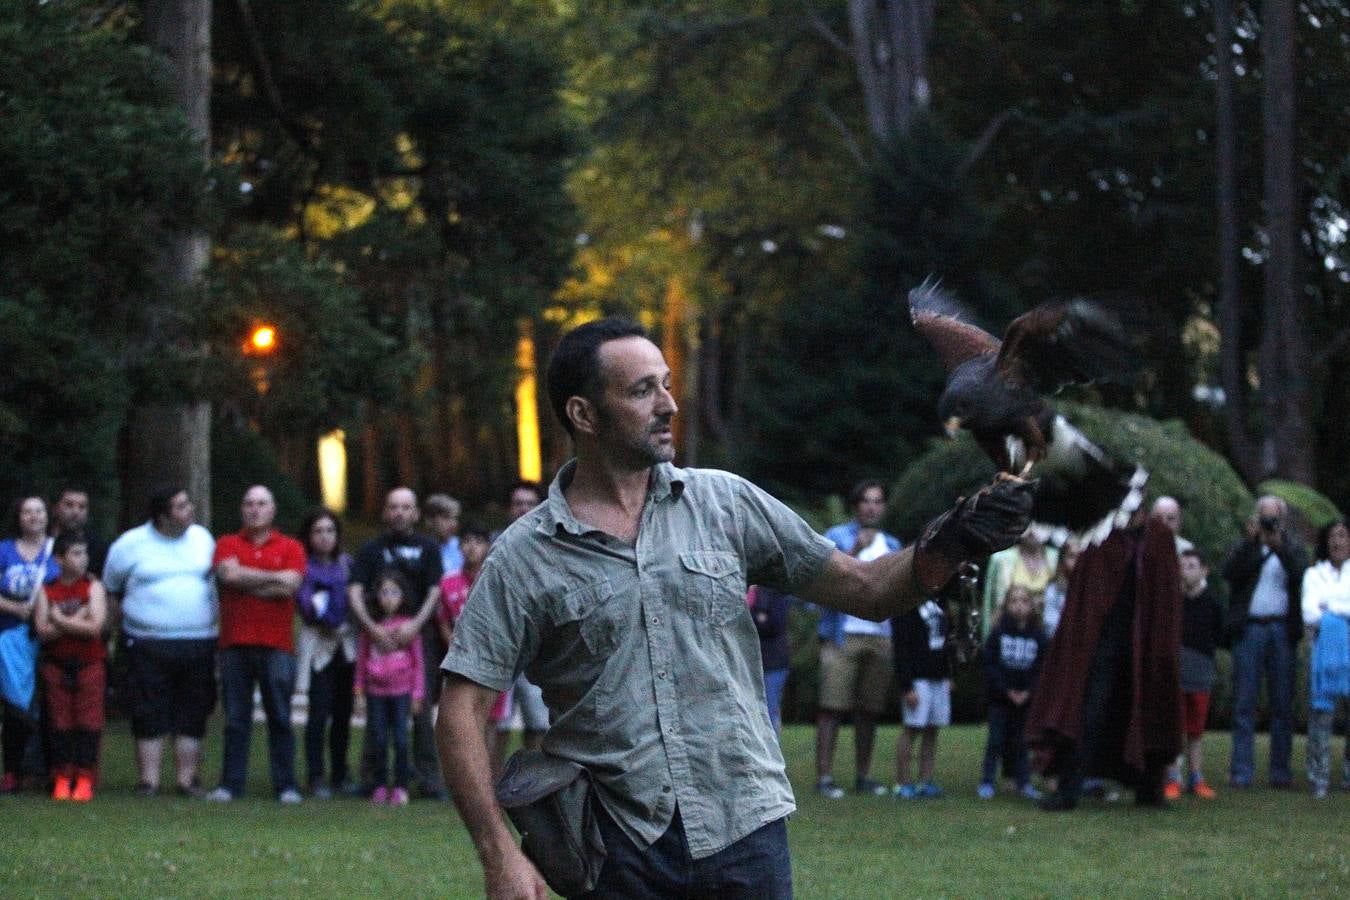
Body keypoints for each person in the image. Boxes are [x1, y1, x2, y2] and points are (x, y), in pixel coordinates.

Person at [436, 317, 1032, 899]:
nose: (668, 404)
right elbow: (461, 711)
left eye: (666, 384)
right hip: (616, 843)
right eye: (642, 391)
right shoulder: (526, 555)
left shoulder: (726, 503)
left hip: (744, 827)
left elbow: (866, 589)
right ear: (583, 414)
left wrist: (950, 540)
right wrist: (498, 852)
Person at [1028, 509, 1183, 811]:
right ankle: (1068, 790)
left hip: (1146, 648)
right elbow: (1084, 597)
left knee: (1147, 709)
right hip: (1103, 645)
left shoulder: (1159, 539)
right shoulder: (1102, 536)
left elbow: (1165, 597)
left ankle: (1149, 789)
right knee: (1088, 712)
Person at [102, 486, 216, 797]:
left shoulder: (202, 539)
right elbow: (111, 589)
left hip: (198, 640)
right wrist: (112, 631)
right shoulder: (130, 545)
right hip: (146, 642)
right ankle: (148, 781)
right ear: (162, 516)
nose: (190, 509)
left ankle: (187, 780)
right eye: (181, 506)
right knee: (148, 710)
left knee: (193, 711)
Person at [202, 487, 306, 804]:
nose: (255, 509)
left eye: (261, 503)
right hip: (235, 644)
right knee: (236, 719)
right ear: (241, 509)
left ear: (272, 510)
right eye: (248, 503)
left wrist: (246, 579)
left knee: (280, 717)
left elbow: (290, 585)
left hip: (277, 645)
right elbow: (227, 577)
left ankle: (286, 785)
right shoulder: (226, 543)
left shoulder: (291, 547)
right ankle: (230, 785)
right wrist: (272, 579)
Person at [348, 487, 444, 798]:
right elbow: (355, 589)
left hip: (418, 638)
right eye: (393, 507)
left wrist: (415, 625)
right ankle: (372, 779)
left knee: (421, 709)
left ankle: (427, 779)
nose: (399, 513)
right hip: (376, 636)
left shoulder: (428, 548)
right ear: (385, 512)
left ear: (416, 513)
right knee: (375, 713)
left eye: (405, 507)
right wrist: (370, 628)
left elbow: (435, 590)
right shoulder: (371, 549)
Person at [815, 479, 902, 799]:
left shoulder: (892, 544)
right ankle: (824, 777)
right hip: (844, 634)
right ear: (856, 506)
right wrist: (854, 551)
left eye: (878, 501)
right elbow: (822, 579)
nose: (872, 507)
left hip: (879, 636)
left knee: (869, 711)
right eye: (866, 501)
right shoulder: (837, 536)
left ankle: (863, 775)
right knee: (832, 707)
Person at [1223, 495, 1308, 789]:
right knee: (1244, 703)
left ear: (1283, 520)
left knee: (1282, 704)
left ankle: (1280, 772)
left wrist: (1278, 547)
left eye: (1274, 519)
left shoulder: (1292, 547)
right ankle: (1241, 772)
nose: (1269, 524)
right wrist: (1253, 545)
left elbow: (1300, 573)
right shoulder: (1246, 546)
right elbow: (1229, 573)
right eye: (1265, 518)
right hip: (1250, 628)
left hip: (1281, 629)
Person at [32, 532, 106, 801]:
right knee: (59, 722)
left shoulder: (93, 587)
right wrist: (78, 617)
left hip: (89, 663)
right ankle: (62, 776)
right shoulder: (47, 589)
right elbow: (42, 631)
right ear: (59, 559)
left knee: (89, 721)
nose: (82, 559)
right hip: (57, 664)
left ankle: (85, 777)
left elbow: (94, 627)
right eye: (75, 553)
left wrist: (60, 620)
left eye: (84, 553)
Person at [435, 523, 509, 774]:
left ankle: (488, 777)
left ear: (487, 546)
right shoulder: (448, 582)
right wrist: (456, 651)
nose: (471, 547)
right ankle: (458, 777)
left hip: (492, 661)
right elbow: (443, 621)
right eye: (466, 541)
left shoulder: (497, 579)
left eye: (478, 542)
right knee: (458, 721)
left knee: (491, 722)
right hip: (459, 662)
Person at [295, 508, 356, 799]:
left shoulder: (347, 565)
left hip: (346, 647)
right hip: (319, 647)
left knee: (343, 713)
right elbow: (306, 605)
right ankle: (316, 775)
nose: (324, 537)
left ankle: (340, 773)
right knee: (318, 713)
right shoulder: (303, 567)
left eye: (330, 531)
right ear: (309, 536)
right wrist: (325, 616)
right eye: (318, 531)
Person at [0, 496, 59, 793]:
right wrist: (13, 607)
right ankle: (13, 770)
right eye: (27, 511)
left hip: (52, 635)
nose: (34, 516)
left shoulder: (57, 550)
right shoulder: (4, 550)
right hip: (12, 635)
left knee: (51, 704)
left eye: (39, 511)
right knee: (17, 704)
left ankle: (49, 771)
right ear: (18, 517)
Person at [355, 571, 425, 807]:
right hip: (375, 694)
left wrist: (417, 694)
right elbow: (361, 662)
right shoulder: (370, 629)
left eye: (394, 592)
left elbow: (418, 663)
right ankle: (380, 785)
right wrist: (359, 693)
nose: (389, 597)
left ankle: (401, 786)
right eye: (384, 592)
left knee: (401, 740)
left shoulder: (408, 628)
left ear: (403, 596)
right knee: (378, 739)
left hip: (402, 693)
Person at [495, 480, 550, 763]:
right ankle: (491, 782)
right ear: (509, 508)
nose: (524, 509)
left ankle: (532, 784)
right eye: (518, 503)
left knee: (538, 723)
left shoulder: (552, 545)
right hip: (502, 651)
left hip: (538, 652)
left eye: (530, 503)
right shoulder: (495, 546)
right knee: (498, 725)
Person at [1165, 548, 1223, 800]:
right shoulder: (1172, 602)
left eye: (1191, 566)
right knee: (1175, 725)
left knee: (1196, 728)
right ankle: (1172, 776)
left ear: (1204, 571)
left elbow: (1219, 634)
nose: (1185, 571)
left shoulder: (1212, 604)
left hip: (1200, 671)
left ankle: (1196, 776)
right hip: (1177, 670)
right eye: (1182, 566)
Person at [1301, 519, 1350, 799]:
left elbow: (1322, 609)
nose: (1337, 542)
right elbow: (1310, 613)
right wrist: (1341, 610)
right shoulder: (1314, 574)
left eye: (1343, 536)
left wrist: (1329, 606)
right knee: (1321, 715)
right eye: (1333, 536)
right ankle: (1318, 774)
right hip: (1322, 650)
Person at [891, 595, 953, 799]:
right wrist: (906, 686)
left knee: (932, 729)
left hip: (938, 676)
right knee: (912, 728)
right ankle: (903, 783)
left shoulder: (941, 602)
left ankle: (925, 781)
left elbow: (948, 640)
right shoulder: (906, 604)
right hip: (917, 678)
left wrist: (949, 673)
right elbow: (900, 646)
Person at [981, 529, 1058, 638]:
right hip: (1009, 630)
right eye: (1028, 524)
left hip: (1048, 631)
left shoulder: (1056, 557)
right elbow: (991, 604)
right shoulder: (1001, 559)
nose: (1032, 530)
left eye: (1038, 525)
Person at [749, 585, 792, 733]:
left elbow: (774, 624)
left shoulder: (773, 591)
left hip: (773, 663)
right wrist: (759, 615)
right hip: (749, 662)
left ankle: (770, 746)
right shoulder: (744, 589)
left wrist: (752, 615)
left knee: (768, 712)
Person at [50, 487, 108, 576]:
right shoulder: (42, 540)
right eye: (69, 505)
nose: (76, 512)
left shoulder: (98, 547)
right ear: (55, 508)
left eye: (82, 507)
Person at [1041, 539, 1079, 639]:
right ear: (1062, 560)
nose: (1077, 561)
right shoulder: (1053, 589)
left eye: (1080, 556)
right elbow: (1050, 623)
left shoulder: (1092, 589)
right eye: (1072, 556)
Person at [425, 493, 464, 578]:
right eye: (446, 517)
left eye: (455, 518)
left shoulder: (461, 547)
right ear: (430, 520)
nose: (453, 523)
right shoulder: (422, 548)